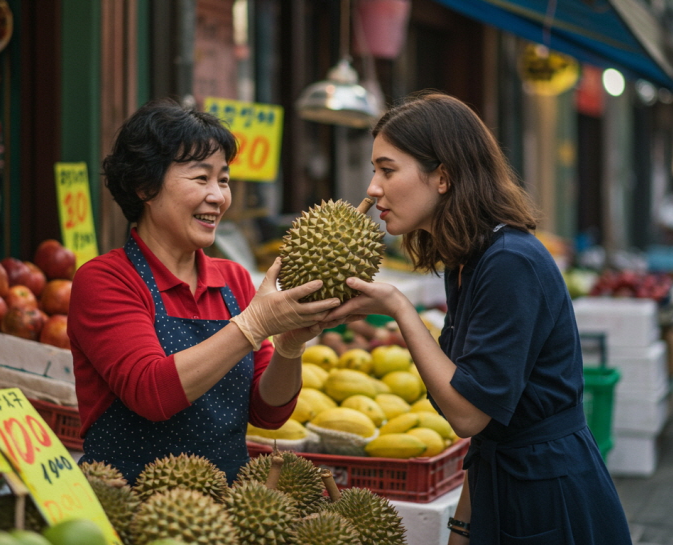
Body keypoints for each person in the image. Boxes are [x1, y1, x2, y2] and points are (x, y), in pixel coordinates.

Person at [324, 92, 631, 544]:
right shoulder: (468, 260)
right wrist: (463, 525)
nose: (373, 188)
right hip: (506, 484)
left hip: (546, 495)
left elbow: (469, 415)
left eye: (387, 170)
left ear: (442, 177)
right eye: (375, 171)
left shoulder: (510, 262)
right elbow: (484, 429)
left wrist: (399, 309)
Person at [68, 98, 341, 483]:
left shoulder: (233, 279)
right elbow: (151, 393)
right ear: (145, 186)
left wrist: (290, 346)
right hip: (130, 510)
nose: (218, 196)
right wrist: (253, 324)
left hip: (225, 511)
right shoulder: (105, 279)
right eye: (201, 178)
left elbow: (268, 412)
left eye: (224, 180)